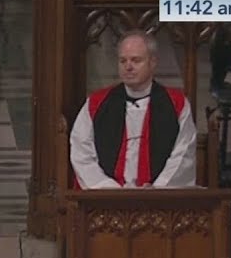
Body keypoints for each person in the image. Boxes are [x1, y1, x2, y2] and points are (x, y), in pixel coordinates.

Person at [69, 30, 198, 189]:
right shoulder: (96, 103)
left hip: (160, 201)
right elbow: (82, 153)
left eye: (136, 60)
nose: (128, 66)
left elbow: (182, 155)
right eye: (123, 61)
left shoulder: (176, 104)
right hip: (105, 202)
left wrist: (157, 189)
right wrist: (108, 189)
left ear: (152, 62)